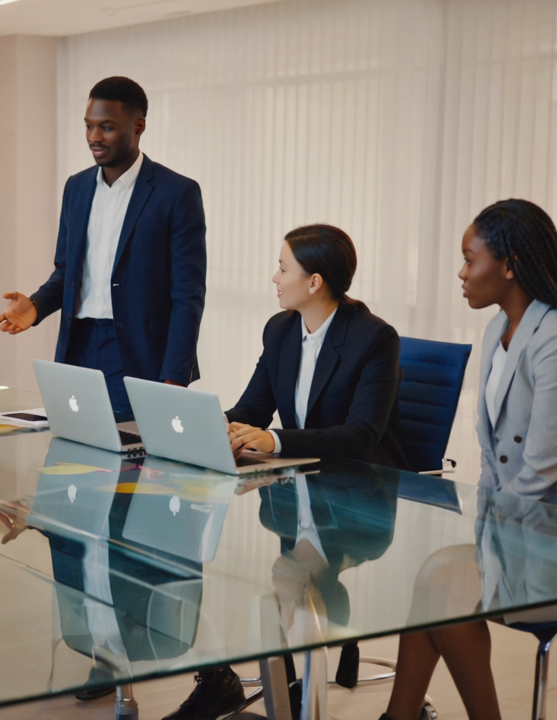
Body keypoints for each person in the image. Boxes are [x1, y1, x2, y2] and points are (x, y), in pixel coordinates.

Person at [380, 199, 557, 720]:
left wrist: (483, 536)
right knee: (437, 576)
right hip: (538, 531)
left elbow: (545, 469)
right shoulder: (498, 331)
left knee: (447, 587)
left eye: (470, 259)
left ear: (508, 264)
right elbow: (494, 457)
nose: (462, 273)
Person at [165, 224, 409, 720]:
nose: (273, 277)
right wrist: (219, 431)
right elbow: (253, 407)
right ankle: (242, 682)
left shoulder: (374, 339)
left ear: (314, 281)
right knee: (210, 565)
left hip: (357, 501)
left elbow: (361, 435)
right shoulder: (280, 331)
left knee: (259, 580)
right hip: (295, 496)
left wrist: (273, 441)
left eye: (283, 267)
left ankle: (294, 690)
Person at [0, 76, 207, 418]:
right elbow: (66, 272)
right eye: (89, 126)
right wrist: (35, 306)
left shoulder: (176, 193)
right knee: (73, 454)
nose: (94, 137)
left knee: (133, 462)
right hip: (78, 347)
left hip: (140, 355)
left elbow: (188, 294)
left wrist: (175, 377)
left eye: (106, 127)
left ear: (138, 127)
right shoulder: (76, 188)